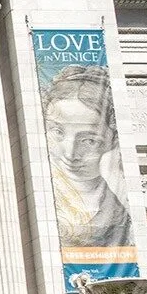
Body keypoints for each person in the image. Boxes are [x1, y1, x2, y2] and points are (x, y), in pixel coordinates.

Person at [41, 65, 134, 249]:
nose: (70, 154)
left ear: (113, 140)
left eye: (89, 141)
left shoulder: (121, 218)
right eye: (58, 132)